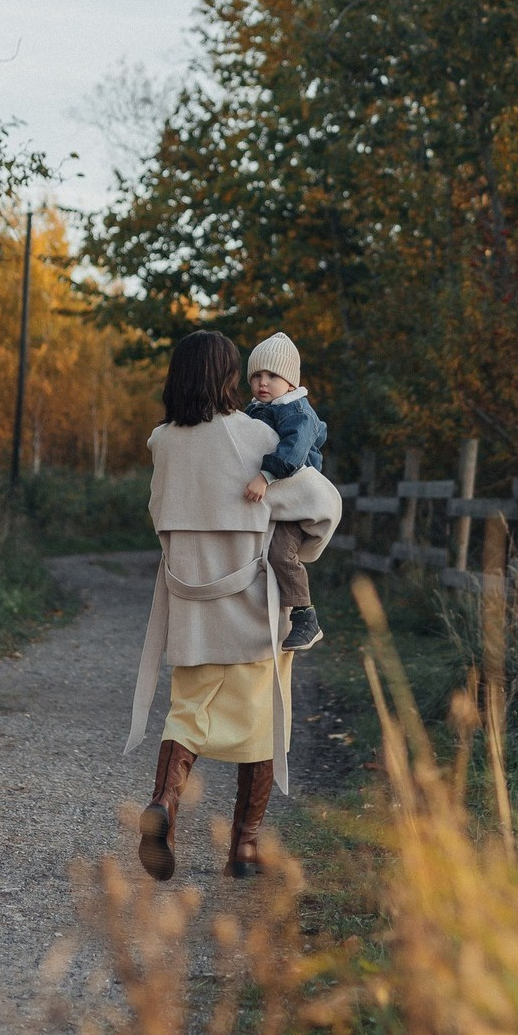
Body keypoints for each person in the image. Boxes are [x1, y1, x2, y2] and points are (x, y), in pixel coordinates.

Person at [126, 330, 340, 882]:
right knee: (260, 721)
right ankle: (244, 848)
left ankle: (165, 807)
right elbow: (321, 505)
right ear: (228, 379)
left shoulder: (163, 443)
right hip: (251, 608)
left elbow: (157, 515)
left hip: (190, 608)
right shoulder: (254, 438)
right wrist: (301, 550)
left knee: (187, 715)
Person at [242, 332, 328, 653]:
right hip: (274, 503)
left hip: (296, 502)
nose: (263, 382)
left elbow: (293, 451)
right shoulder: (255, 409)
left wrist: (265, 475)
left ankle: (306, 614)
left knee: (281, 553)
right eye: (256, 376)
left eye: (272, 376)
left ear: (290, 382)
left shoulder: (297, 411)